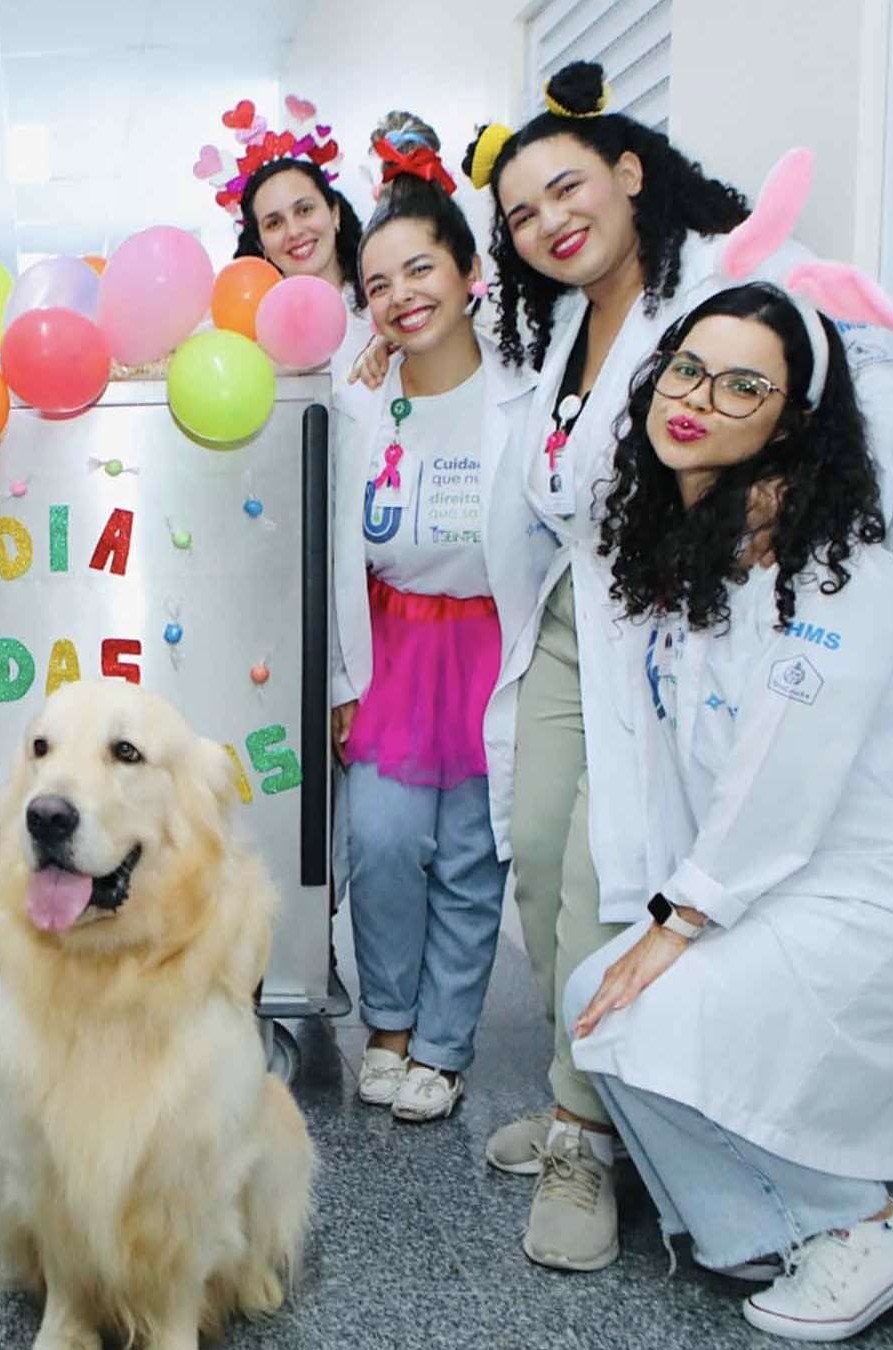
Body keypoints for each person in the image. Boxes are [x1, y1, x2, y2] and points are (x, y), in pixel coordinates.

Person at [464, 60, 893, 1271]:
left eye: (566, 189)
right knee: (532, 851)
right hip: (573, 617)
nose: (550, 223)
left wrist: (783, 507)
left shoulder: (728, 283)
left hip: (660, 628)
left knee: (598, 877)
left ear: (629, 174)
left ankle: (582, 1135)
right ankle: (605, 1102)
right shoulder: (566, 327)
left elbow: (874, 399)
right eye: (522, 215)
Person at [566, 283, 893, 1340]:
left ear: (792, 420)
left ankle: (861, 1224)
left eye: (742, 386)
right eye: (685, 370)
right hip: (789, 876)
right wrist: (665, 916)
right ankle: (771, 1236)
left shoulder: (837, 572)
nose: (698, 400)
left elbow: (787, 768)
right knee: (599, 992)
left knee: (648, 1008)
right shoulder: (691, 556)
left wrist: (683, 921)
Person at [329, 115, 556, 1125]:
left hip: (488, 646)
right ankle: (384, 1022)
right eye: (378, 284)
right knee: (379, 844)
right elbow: (334, 551)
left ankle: (444, 1044)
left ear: (469, 273)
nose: (400, 297)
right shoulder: (357, 407)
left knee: (471, 857)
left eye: (419, 270)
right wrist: (342, 676)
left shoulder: (531, 396)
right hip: (386, 645)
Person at [216, 101, 376, 381]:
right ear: (262, 246)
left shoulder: (382, 308)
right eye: (274, 222)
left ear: (334, 213)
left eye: (304, 210)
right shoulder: (248, 333)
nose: (293, 231)